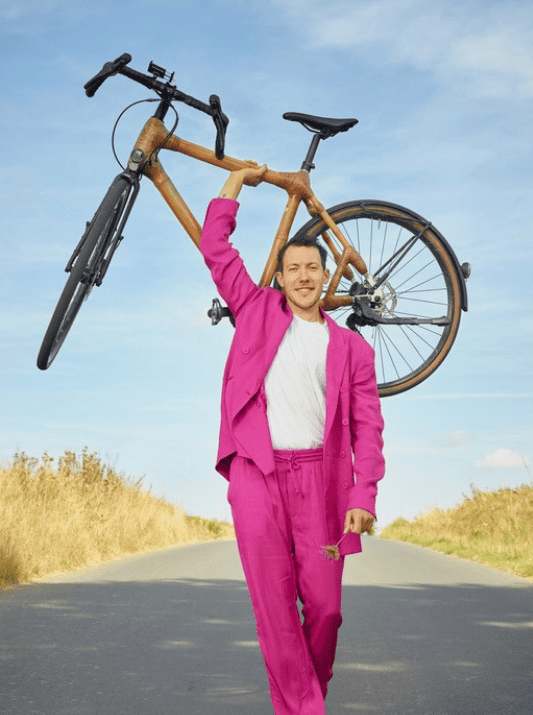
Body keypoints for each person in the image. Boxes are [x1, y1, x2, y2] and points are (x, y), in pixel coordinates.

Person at [199, 165, 385, 714]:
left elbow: (368, 428)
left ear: (325, 277)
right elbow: (215, 247)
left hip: (322, 485)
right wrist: (237, 180)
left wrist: (364, 494)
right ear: (280, 278)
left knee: (326, 610)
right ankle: (305, 709)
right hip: (258, 474)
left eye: (312, 268)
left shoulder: (354, 350)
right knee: (275, 611)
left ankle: (304, 700)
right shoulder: (254, 310)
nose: (303, 277)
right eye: (293, 269)